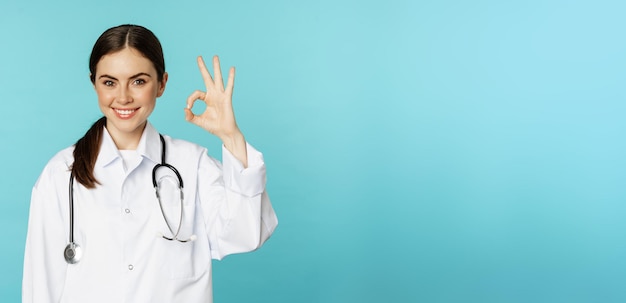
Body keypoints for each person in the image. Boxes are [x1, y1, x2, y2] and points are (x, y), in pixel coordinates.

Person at [22, 24, 278, 303]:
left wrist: (231, 136)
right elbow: (41, 285)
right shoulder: (61, 174)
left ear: (162, 84)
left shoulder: (192, 164)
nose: (123, 97)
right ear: (93, 83)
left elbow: (245, 235)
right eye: (109, 82)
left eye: (138, 81)